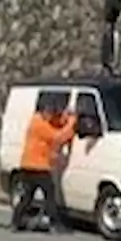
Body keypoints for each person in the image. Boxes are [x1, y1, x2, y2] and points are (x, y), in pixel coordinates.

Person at [9, 100, 76, 233]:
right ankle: (54, 224)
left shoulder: (37, 120)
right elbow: (58, 136)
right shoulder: (39, 124)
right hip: (38, 167)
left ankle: (16, 222)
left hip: (28, 165)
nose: (51, 116)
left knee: (27, 197)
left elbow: (56, 124)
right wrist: (72, 123)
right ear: (44, 111)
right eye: (50, 113)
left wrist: (64, 117)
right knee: (49, 195)